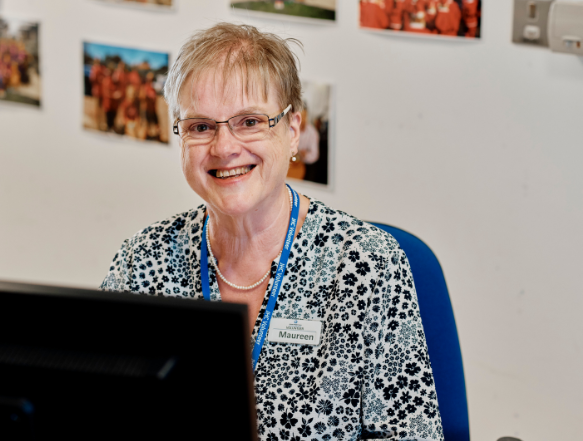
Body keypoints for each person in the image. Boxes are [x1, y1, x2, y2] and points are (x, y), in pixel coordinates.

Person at [101, 23, 443, 441]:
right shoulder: (143, 259)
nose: (224, 147)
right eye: (201, 126)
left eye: (249, 121)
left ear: (293, 129)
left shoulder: (367, 266)